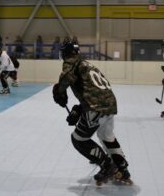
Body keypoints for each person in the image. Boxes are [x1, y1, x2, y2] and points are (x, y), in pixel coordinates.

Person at [52, 40, 132, 186]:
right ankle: (122, 167)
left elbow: (65, 79)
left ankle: (107, 165)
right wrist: (78, 109)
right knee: (106, 136)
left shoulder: (71, 62)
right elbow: (94, 90)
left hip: (96, 107)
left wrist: (59, 92)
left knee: (78, 139)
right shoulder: (87, 64)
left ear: (65, 53)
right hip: (110, 104)